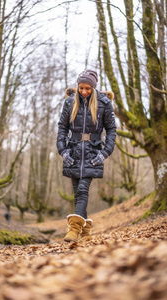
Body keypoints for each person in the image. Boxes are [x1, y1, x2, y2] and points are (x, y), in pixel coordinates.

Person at [57, 69, 116, 242]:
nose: (84, 92)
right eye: (81, 88)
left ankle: (73, 230)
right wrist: (63, 150)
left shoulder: (105, 103)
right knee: (78, 194)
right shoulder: (69, 103)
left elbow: (111, 129)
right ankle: (86, 233)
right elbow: (62, 127)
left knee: (83, 190)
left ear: (94, 87)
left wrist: (105, 153)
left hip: (93, 152)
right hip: (73, 152)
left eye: (88, 88)